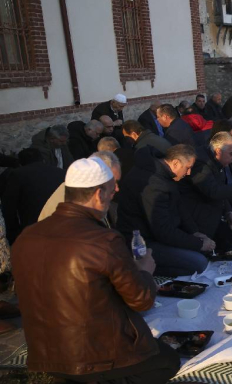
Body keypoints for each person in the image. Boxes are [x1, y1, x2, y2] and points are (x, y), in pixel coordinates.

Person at [12, 157, 179, 382]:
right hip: (94, 359)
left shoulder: (27, 236)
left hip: (44, 354)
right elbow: (142, 301)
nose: (117, 191)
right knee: (168, 360)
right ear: (98, 194)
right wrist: (145, 270)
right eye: (112, 188)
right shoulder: (103, 240)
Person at [118, 145, 217, 276]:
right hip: (142, 242)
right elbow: (162, 231)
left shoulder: (164, 174)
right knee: (199, 263)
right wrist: (197, 244)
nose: (188, 173)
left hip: (156, 235)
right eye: (187, 168)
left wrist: (195, 232)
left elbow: (179, 207)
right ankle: (148, 273)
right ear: (175, 163)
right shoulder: (154, 183)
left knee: (204, 252)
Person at [179, 133, 232, 247]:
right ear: (218, 151)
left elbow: (220, 187)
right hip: (197, 214)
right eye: (231, 154)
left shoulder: (215, 160)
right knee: (227, 242)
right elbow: (213, 191)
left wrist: (228, 211)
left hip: (211, 208)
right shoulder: (201, 163)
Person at [1, 148, 65, 243]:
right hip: (62, 223)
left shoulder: (17, 175)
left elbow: (9, 206)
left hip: (34, 228)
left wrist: (13, 233)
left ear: (21, 163)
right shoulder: (61, 172)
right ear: (42, 159)